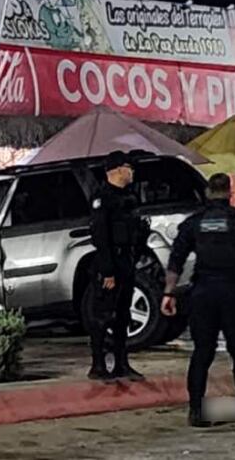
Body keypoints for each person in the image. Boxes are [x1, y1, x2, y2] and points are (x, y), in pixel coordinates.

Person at [161, 173, 235, 427]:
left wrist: (168, 292)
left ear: (206, 194)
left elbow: (176, 261)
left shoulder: (194, 224)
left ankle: (196, 411)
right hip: (234, 294)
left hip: (202, 294)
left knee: (202, 352)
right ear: (229, 193)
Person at [87, 150, 150, 381]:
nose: (132, 172)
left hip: (127, 260)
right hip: (110, 262)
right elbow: (101, 237)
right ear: (117, 170)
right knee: (103, 315)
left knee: (123, 315)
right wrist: (108, 271)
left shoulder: (129, 198)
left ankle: (122, 363)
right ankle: (98, 365)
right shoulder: (102, 198)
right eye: (129, 168)